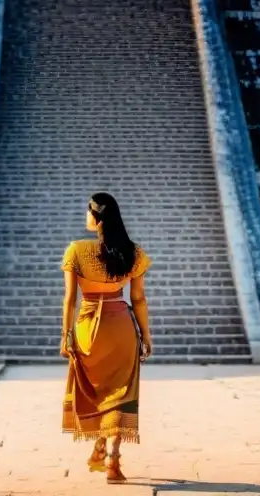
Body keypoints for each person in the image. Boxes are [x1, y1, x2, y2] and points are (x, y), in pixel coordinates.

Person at [60, 192, 153, 484]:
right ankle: (113, 460)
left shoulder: (76, 250)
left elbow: (70, 299)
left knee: (96, 390)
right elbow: (138, 298)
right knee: (121, 393)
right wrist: (146, 336)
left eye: (88, 213)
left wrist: (66, 336)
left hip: (89, 328)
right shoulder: (133, 252)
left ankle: (100, 442)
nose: (86, 217)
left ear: (96, 217)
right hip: (122, 327)